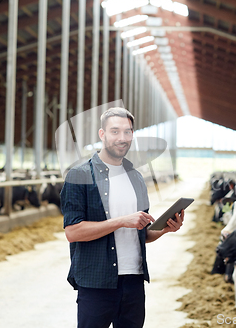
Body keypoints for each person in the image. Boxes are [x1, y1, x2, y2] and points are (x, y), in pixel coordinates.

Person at [60, 107, 184, 328]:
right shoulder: (79, 176)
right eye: (115, 131)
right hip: (96, 283)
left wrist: (165, 228)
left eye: (128, 132)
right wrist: (121, 221)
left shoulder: (136, 178)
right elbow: (73, 232)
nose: (122, 138)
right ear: (102, 134)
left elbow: (141, 234)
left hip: (133, 282)